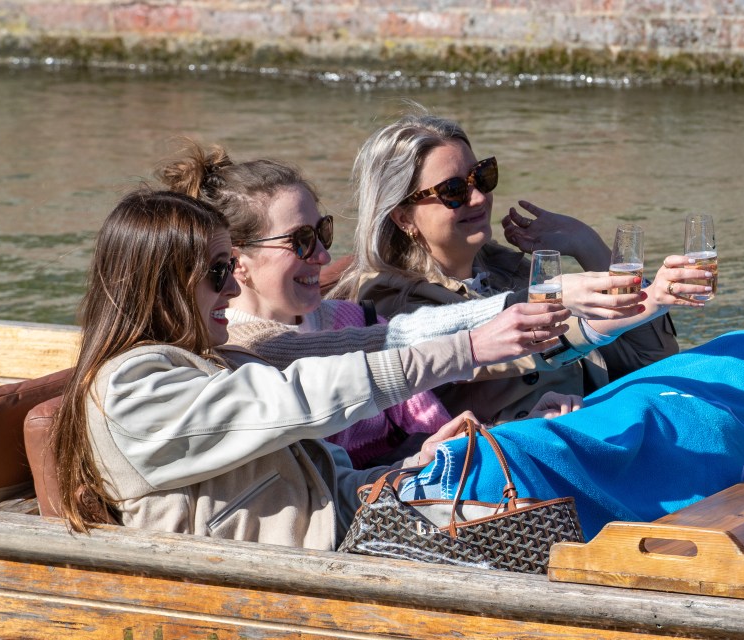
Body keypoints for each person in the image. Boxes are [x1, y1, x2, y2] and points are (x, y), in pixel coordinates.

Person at [50, 188, 571, 548]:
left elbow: (325, 490)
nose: (233, 288)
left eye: (229, 269)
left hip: (360, 534)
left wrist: (411, 467)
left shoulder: (209, 362)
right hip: (315, 575)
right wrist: (467, 348)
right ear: (161, 282)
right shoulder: (132, 390)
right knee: (556, 466)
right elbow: (299, 397)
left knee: (559, 441)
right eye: (217, 272)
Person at [155, 141, 641, 467]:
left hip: (399, 500)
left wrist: (507, 429)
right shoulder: (244, 354)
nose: (324, 256)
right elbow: (400, 350)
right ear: (238, 263)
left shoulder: (350, 318)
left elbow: (418, 396)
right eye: (302, 241)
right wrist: (526, 311)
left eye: (322, 232)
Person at [330, 110, 710, 424]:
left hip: (601, 430)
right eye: (453, 192)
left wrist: (587, 244)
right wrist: (647, 300)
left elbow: (652, 360)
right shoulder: (387, 301)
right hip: (519, 477)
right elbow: (484, 357)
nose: (478, 198)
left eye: (481, 177)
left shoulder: (509, 270)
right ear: (402, 216)